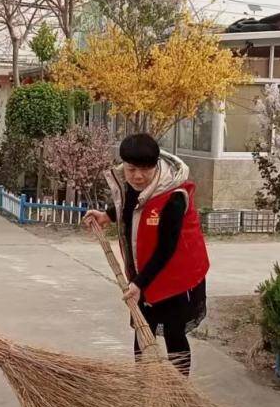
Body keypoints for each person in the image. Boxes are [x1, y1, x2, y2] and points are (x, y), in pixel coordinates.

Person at [83, 133, 209, 374]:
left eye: (144, 170)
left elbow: (166, 248)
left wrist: (139, 283)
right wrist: (108, 216)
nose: (137, 176)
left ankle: (180, 391)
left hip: (176, 276)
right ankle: (144, 384)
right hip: (146, 272)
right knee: (143, 331)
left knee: (174, 333)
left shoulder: (174, 197)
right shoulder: (133, 186)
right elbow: (131, 206)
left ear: (155, 165)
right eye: (131, 170)